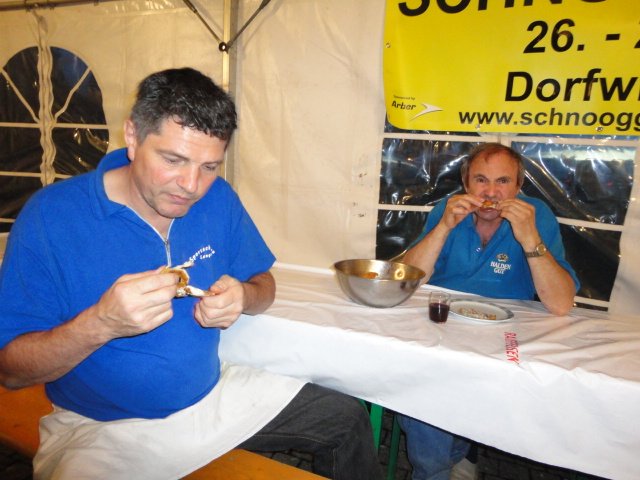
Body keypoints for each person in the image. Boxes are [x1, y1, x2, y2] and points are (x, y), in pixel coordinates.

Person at [0, 67, 382, 480]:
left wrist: (243, 297)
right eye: (173, 160)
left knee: (344, 418)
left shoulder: (218, 199)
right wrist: (101, 323)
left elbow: (264, 284)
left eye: (209, 166)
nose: (191, 185)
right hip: (101, 428)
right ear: (132, 136)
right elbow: (12, 371)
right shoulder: (52, 217)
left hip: (213, 400)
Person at [399, 142, 580, 480]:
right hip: (442, 327)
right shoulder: (447, 209)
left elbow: (560, 303)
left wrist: (530, 239)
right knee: (422, 381)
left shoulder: (536, 215)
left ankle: (456, 451)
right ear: (466, 183)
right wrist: (443, 227)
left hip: (504, 338)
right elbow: (408, 281)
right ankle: (440, 465)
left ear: (519, 186)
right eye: (481, 180)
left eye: (503, 181)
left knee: (454, 392)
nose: (491, 193)